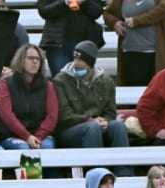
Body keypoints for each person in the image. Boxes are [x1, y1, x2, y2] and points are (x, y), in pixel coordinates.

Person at [52, 41, 132, 172]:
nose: (76, 63)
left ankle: (125, 176)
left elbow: (110, 112)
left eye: (81, 59)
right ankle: (99, 177)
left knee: (117, 126)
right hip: (70, 130)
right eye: (75, 58)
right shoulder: (61, 80)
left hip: (96, 125)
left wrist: (105, 121)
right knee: (92, 127)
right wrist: (89, 120)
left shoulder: (106, 82)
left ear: (91, 63)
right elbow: (64, 115)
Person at [0, 43, 59, 151]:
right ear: (20, 60)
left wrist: (38, 137)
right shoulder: (6, 84)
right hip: (11, 134)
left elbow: (52, 117)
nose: (35, 61)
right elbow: (7, 115)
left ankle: (46, 168)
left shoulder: (48, 86)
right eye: (30, 58)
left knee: (46, 148)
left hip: (40, 135)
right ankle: (30, 169)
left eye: (38, 59)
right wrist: (27, 136)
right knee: (24, 149)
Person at [102, 0, 165, 86]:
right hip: (131, 51)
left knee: (160, 89)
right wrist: (114, 23)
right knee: (135, 91)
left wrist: (137, 21)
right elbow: (107, 13)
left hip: (155, 52)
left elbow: (164, 8)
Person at [36, 0, 104, 74]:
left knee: (83, 81)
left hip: (85, 45)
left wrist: (85, 2)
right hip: (57, 45)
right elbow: (44, 11)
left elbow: (97, 12)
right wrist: (65, 2)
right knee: (62, 80)